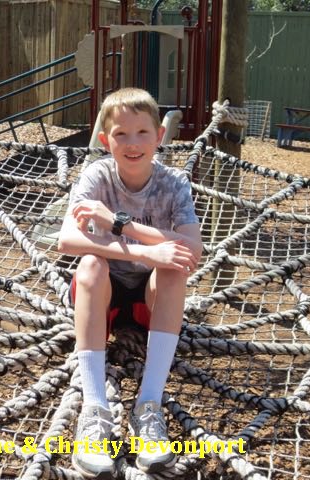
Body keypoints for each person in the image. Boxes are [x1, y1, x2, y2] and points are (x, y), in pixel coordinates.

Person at [57, 88, 202, 478]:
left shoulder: (173, 182)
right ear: (105, 140)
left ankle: (148, 408)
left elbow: (193, 248)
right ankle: (94, 412)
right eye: (121, 134)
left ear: (160, 136)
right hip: (101, 297)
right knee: (89, 264)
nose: (132, 143)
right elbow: (66, 240)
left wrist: (121, 225)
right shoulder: (96, 174)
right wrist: (143, 251)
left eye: (142, 133)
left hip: (147, 302)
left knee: (174, 268)